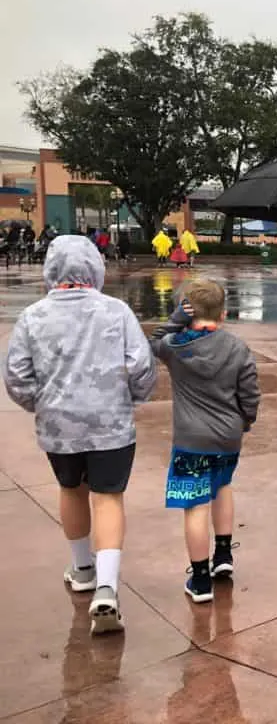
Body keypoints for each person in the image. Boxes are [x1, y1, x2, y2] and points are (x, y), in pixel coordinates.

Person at [3, 235, 156, 634]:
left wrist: (42, 405)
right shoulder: (116, 312)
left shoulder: (33, 316)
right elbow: (141, 366)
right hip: (111, 424)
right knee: (108, 498)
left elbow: (16, 376)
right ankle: (108, 587)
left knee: (72, 490)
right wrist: (132, 398)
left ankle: (82, 568)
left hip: (59, 426)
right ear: (95, 266)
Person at [150, 279, 261, 603]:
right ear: (223, 314)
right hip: (229, 436)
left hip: (191, 439)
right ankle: (223, 556)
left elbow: (150, 343)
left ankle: (200, 580)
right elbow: (250, 393)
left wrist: (175, 321)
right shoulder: (237, 348)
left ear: (185, 312)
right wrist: (246, 420)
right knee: (222, 487)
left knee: (195, 505)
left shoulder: (175, 346)